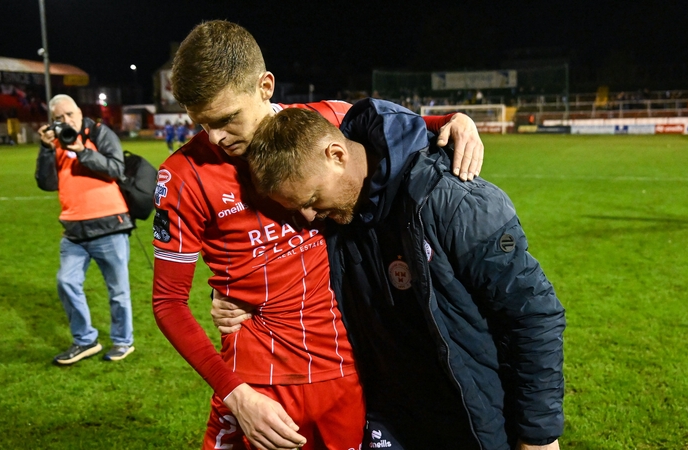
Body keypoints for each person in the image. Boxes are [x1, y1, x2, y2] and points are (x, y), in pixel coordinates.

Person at [152, 20, 485, 450]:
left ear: (265, 86)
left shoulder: (324, 123)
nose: (215, 137)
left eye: (227, 119)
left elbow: (400, 132)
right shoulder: (183, 176)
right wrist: (238, 396)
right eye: (202, 124)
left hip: (347, 369)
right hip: (258, 382)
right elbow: (167, 301)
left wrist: (456, 120)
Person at [243, 99, 565, 450]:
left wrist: (538, 435)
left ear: (336, 155)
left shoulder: (452, 201)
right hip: (391, 420)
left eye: (312, 199)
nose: (308, 217)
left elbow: (533, 317)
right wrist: (237, 299)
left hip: (472, 422)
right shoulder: (337, 218)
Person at [35, 94, 135, 365]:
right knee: (66, 282)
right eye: (59, 118)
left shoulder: (100, 133)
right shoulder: (54, 141)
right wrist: (45, 149)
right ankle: (85, 340)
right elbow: (46, 182)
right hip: (74, 230)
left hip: (109, 225)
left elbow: (116, 168)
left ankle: (123, 341)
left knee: (118, 291)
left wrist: (81, 151)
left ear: (79, 112)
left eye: (69, 115)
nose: (66, 121)